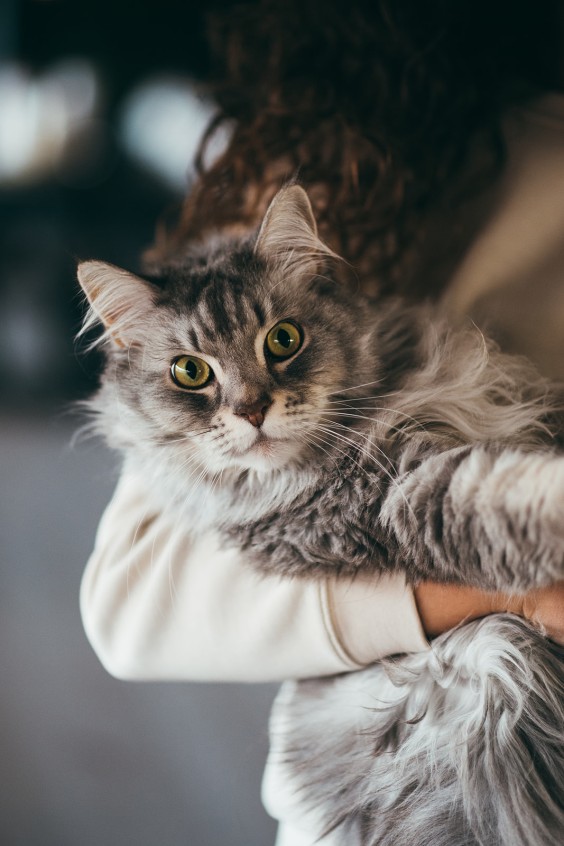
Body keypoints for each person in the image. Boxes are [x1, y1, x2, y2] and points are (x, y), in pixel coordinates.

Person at [80, 1, 564, 843]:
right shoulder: (319, 144)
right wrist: (503, 592)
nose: (248, 401)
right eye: (197, 375)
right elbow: (129, 603)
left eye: (278, 348)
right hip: (399, 788)